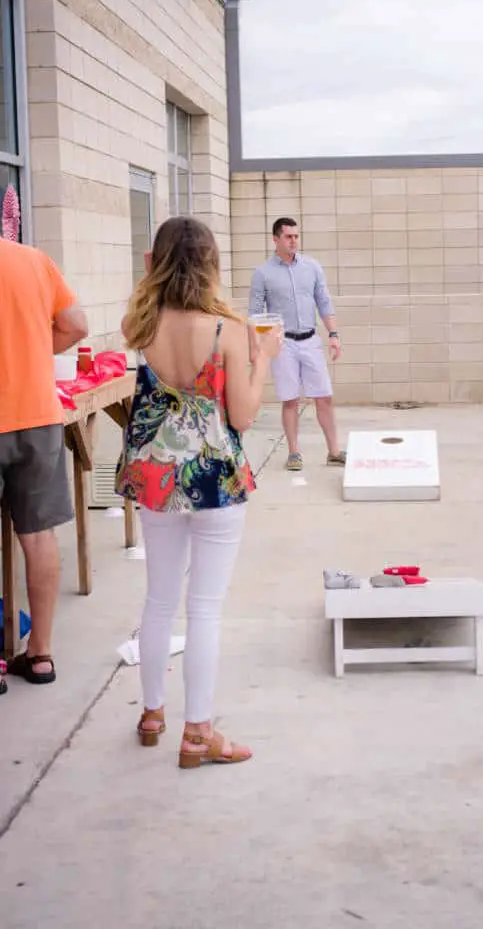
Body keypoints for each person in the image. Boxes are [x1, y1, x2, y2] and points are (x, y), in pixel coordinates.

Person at [116, 217, 281, 769]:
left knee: (159, 598)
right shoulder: (227, 330)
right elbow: (243, 413)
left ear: (157, 261)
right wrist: (264, 362)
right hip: (213, 476)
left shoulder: (138, 324)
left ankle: (152, 713)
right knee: (204, 607)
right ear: (211, 263)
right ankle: (197, 733)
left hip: (157, 476)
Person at [0, 236, 88, 685]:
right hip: (36, 414)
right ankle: (40, 654)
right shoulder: (34, 261)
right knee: (38, 535)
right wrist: (35, 347)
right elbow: (75, 324)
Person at [248, 217, 345, 472]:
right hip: (284, 344)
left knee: (324, 396)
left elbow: (324, 302)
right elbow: (255, 313)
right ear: (276, 239)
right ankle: (294, 452)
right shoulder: (263, 273)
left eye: (296, 236)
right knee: (290, 400)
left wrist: (333, 335)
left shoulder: (312, 267)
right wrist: (257, 348)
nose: (294, 241)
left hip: (310, 340)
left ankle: (334, 451)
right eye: (289, 237)